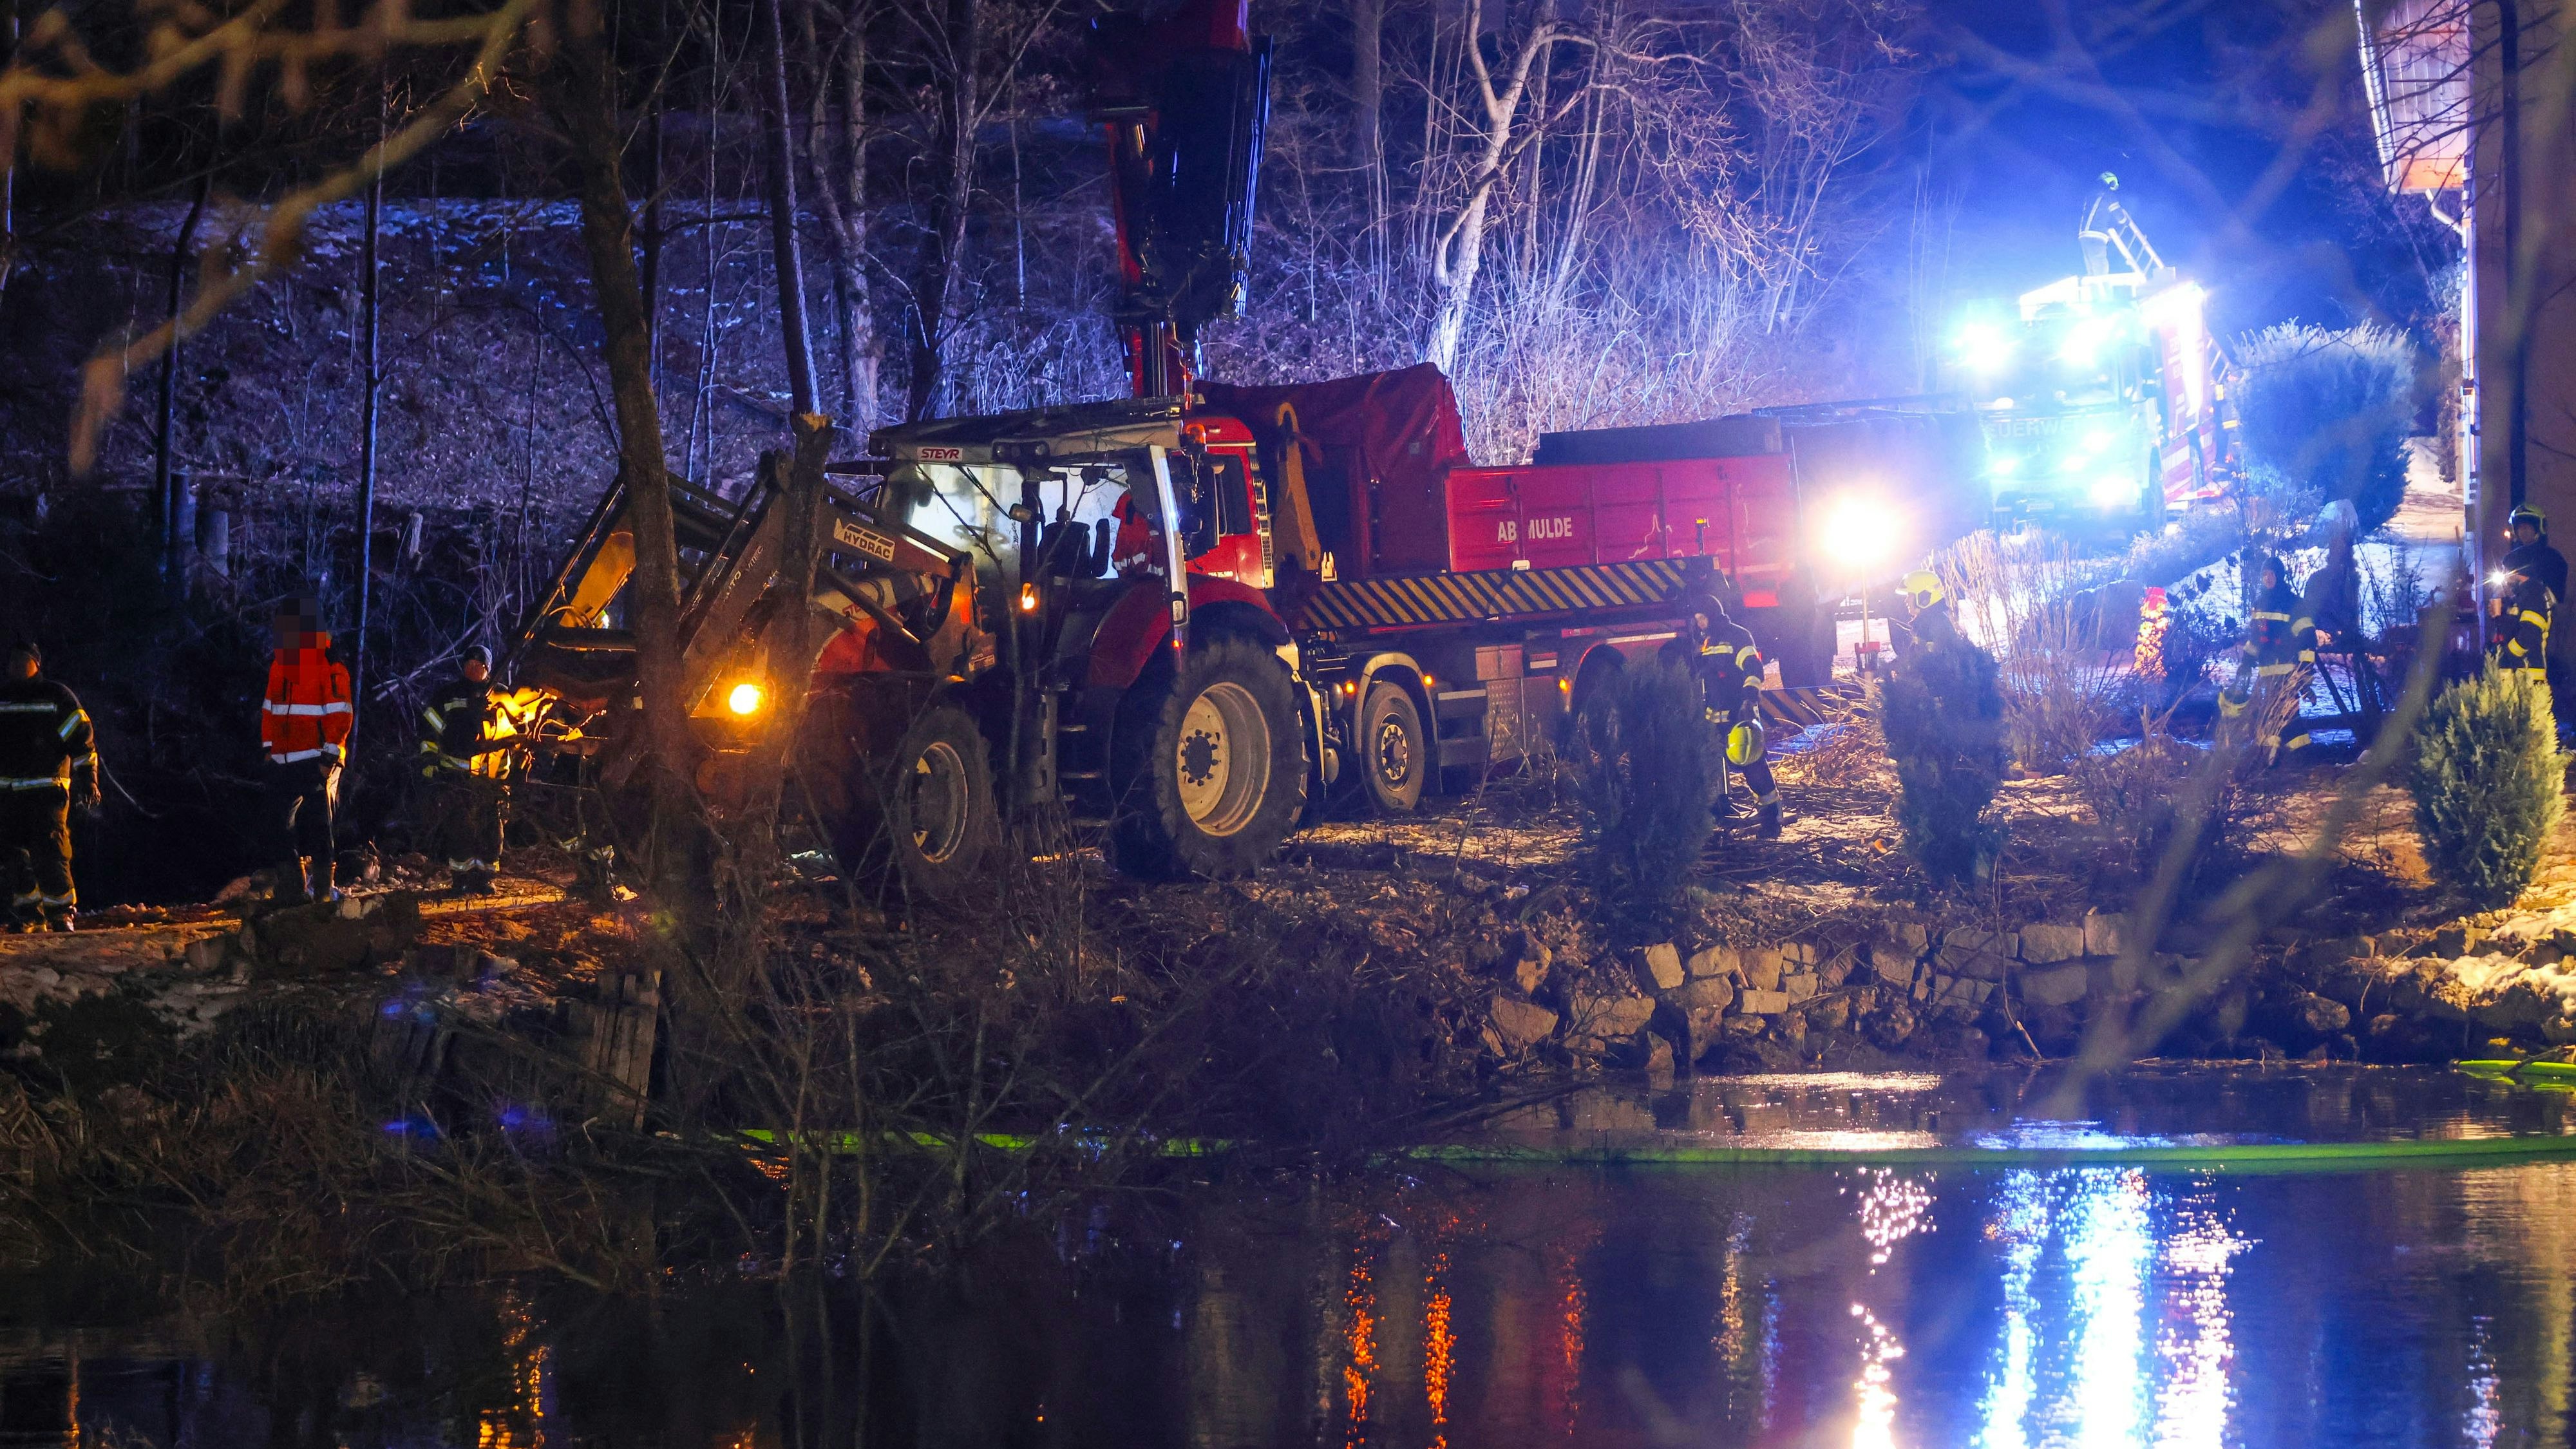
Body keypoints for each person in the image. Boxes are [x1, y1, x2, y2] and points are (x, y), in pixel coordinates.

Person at [1663, 585, 1781, 839]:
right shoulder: (1706, 642)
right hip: (1714, 717)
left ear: (1713, 614)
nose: (1700, 623)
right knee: (1711, 765)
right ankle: (1719, 810)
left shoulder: (1738, 636)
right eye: (1697, 620)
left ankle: (1771, 816)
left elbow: (1753, 668)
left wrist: (1749, 699)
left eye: (1702, 618)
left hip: (1739, 715)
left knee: (1752, 765)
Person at [0, 640, 98, 931]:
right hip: (7, 795)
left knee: (51, 852)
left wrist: (89, 779)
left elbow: (82, 739)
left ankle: (61, 913)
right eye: (12, 659)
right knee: (11, 856)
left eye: (23, 659)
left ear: (37, 663)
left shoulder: (56, 696)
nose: (15, 665)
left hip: (47, 793)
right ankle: (28, 913)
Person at [261, 597, 352, 904]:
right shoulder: (280, 665)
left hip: (317, 758)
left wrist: (329, 757)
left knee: (318, 823)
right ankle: (292, 889)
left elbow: (340, 715)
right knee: (277, 822)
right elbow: (269, 710)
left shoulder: (330, 666)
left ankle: (324, 891)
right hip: (285, 759)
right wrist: (269, 749)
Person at [417, 645, 518, 895]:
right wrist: (430, 763)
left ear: (488, 668)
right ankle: (461, 878)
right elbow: (430, 731)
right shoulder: (447, 696)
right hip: (457, 776)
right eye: (469, 665)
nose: (473, 669)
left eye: (479, 665)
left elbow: (515, 736)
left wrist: (513, 771)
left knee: (491, 830)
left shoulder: (503, 697)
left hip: (492, 779)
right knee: (460, 829)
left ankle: (485, 878)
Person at [2224, 554, 2315, 761]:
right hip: (2267, 671)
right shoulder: (2259, 603)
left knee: (2287, 714)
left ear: (2280, 576)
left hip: (2288, 671)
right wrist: (2246, 663)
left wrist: (2305, 674)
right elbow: (2256, 638)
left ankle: (2293, 757)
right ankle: (2280, 757)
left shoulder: (2293, 603)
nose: (2268, 578)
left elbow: (2307, 640)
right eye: (2264, 574)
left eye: (2272, 574)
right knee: (2274, 713)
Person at [2492, 503, 2563, 677]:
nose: (2523, 532)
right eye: (2520, 527)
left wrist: (2510, 651)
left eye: (2528, 527)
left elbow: (2537, 619)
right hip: (2510, 658)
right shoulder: (2510, 558)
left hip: (2529, 658)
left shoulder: (2551, 559)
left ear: (2538, 529)